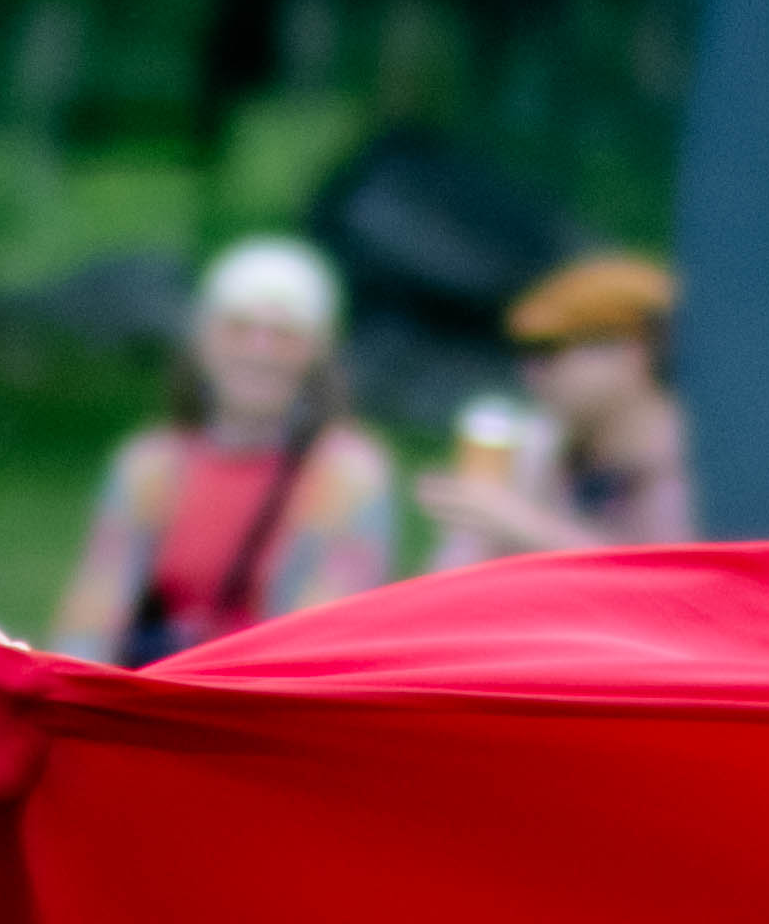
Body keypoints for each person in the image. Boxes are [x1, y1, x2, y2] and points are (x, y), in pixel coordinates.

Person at [44, 235, 398, 660]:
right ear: (203, 340)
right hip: (159, 684)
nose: (259, 351)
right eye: (238, 329)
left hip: (265, 687)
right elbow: (93, 611)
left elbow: (324, 635)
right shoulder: (153, 465)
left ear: (317, 351)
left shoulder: (345, 474)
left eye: (284, 335)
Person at [420, 249, 697, 566]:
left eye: (550, 352)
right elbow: (455, 576)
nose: (531, 374)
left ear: (629, 351)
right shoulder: (548, 450)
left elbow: (667, 581)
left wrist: (525, 524)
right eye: (526, 356)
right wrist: (478, 524)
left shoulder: (694, 465)